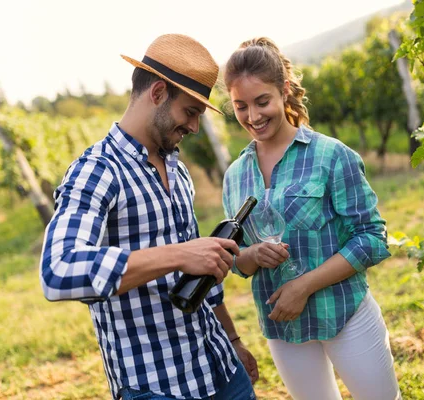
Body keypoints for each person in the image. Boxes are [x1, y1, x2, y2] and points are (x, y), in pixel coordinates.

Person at [39, 34, 258, 400]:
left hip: (217, 365)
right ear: (157, 93)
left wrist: (232, 339)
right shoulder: (97, 171)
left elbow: (202, 274)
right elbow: (58, 271)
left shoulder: (177, 168)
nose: (194, 127)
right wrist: (179, 254)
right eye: (190, 112)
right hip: (156, 385)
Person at [221, 37, 401, 400]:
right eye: (241, 106)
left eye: (262, 102)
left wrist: (304, 287)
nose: (253, 117)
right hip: (283, 326)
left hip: (345, 313)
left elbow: (371, 238)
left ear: (284, 90)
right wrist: (251, 256)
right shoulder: (235, 176)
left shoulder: (332, 155)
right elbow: (235, 258)